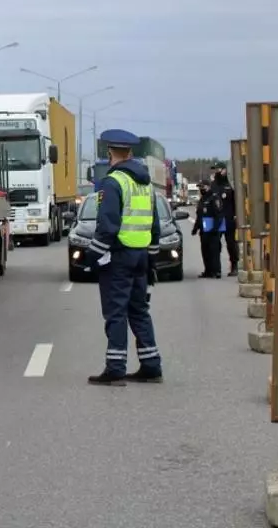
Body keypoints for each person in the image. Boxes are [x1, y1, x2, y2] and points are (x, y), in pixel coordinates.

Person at [87, 129, 163, 386]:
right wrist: (152, 259)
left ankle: (116, 368)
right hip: (141, 255)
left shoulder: (113, 182)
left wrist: (91, 257)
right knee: (139, 311)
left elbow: (107, 226)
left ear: (110, 153)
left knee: (116, 313)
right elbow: (154, 226)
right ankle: (151, 365)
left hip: (119, 256)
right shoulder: (145, 183)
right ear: (130, 152)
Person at [190, 178, 224, 279]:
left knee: (214, 251)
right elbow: (199, 215)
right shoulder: (202, 199)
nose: (201, 189)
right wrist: (195, 228)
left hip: (213, 230)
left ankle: (216, 271)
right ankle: (208, 270)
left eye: (202, 187)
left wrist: (216, 228)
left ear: (208, 187)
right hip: (204, 230)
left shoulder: (214, 198)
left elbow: (219, 215)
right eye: (200, 187)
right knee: (205, 251)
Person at [210, 161, 240, 276]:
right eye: (215, 170)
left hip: (229, 218)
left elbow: (236, 201)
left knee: (231, 244)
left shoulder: (230, 184)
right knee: (215, 244)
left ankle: (234, 266)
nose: (216, 172)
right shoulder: (213, 185)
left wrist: (236, 215)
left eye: (218, 169)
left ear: (224, 170)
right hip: (217, 219)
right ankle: (216, 269)